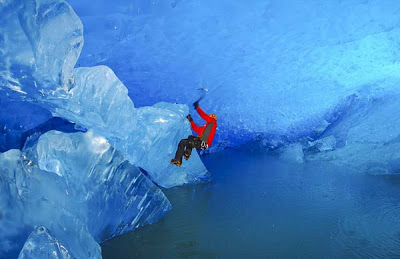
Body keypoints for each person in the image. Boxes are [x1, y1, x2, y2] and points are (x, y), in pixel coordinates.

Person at [171, 101, 217, 166]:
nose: (210, 118)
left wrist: (197, 107)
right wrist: (191, 120)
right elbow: (196, 129)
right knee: (190, 137)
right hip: (200, 143)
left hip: (202, 143)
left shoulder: (213, 123)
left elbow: (204, 116)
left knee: (182, 142)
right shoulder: (205, 127)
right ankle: (187, 153)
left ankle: (178, 160)